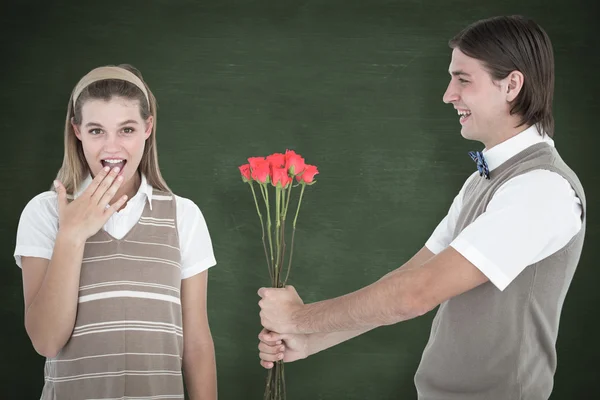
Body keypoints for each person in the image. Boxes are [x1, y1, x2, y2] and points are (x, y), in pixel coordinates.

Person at [256, 15, 586, 400]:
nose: (448, 94)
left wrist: (299, 318)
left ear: (511, 85)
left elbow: (416, 294)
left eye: (463, 79)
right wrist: (312, 339)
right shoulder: (483, 180)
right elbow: (410, 276)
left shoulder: (541, 188)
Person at [14, 64, 218, 399]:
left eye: (126, 130)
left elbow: (196, 343)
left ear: (147, 128)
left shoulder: (184, 216)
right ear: (77, 130)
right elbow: (46, 341)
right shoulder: (45, 212)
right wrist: (71, 236)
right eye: (96, 131)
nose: (112, 148)